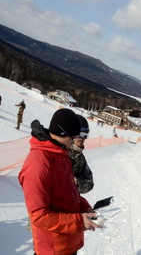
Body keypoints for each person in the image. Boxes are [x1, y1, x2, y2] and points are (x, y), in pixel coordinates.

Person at [18, 108, 100, 255]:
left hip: (68, 243)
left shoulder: (61, 155)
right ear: (62, 134)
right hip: (53, 248)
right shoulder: (38, 164)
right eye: (73, 137)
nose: (75, 142)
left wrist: (85, 207)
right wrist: (79, 221)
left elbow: (68, 193)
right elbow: (39, 216)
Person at [69, 115, 94, 194]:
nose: (82, 138)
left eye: (85, 134)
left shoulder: (80, 157)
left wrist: (75, 181)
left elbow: (89, 183)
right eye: (80, 133)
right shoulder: (62, 153)